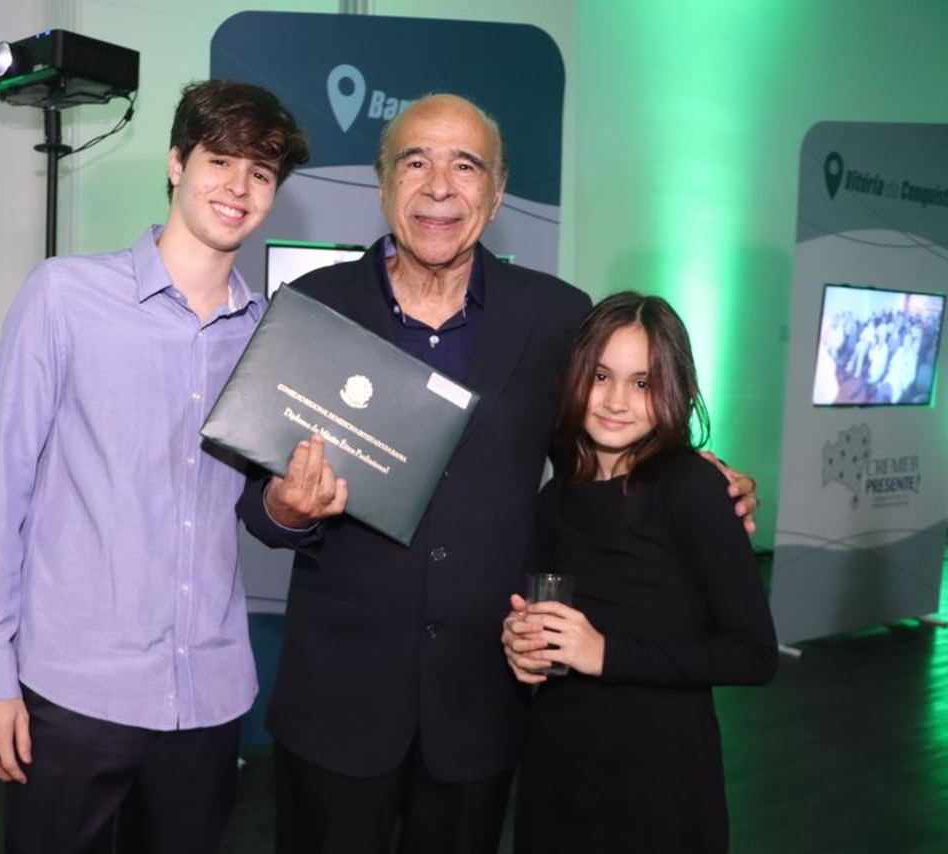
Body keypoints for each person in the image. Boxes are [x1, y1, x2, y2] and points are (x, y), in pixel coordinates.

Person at [238, 94, 759, 854]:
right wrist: (286, 509)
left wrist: (696, 476)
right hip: (338, 701)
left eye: (465, 166)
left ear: (498, 189)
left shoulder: (557, 318)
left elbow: (596, 453)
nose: (439, 187)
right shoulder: (314, 306)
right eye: (415, 162)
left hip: (483, 700)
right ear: (382, 183)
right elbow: (255, 501)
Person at [0, 79, 308, 853]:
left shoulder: (270, 339)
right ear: (177, 163)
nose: (238, 187)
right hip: (73, 689)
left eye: (260, 172)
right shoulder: (64, 296)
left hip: (209, 695)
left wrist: (297, 505)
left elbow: (264, 504)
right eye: (220, 161)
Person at [501, 292, 778, 853]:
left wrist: (606, 653)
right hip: (557, 774)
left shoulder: (694, 490)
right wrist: (519, 644)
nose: (616, 401)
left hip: (661, 782)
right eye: (601, 376)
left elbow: (754, 655)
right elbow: (544, 626)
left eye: (643, 383)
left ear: (673, 390)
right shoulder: (555, 499)